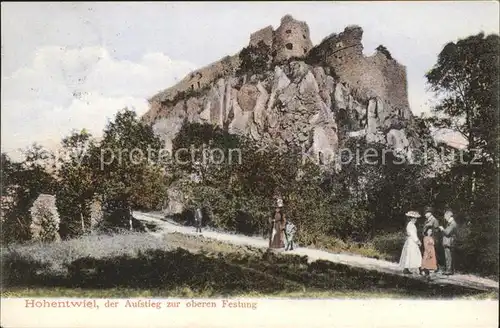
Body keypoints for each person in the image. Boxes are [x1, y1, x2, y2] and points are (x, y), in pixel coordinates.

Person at [422, 206, 444, 272]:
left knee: (434, 253)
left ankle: (436, 267)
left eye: (426, 213)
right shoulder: (427, 220)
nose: (425, 215)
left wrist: (433, 239)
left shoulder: (434, 220)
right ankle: (429, 266)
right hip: (427, 239)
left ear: (430, 213)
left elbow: (436, 231)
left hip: (433, 240)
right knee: (428, 253)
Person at [439, 210, 458, 275]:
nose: (445, 218)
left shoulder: (452, 223)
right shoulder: (451, 223)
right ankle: (450, 270)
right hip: (449, 242)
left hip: (449, 242)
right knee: (449, 256)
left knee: (448, 256)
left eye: (445, 216)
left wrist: (442, 229)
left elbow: (447, 232)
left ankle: (449, 270)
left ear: (448, 216)